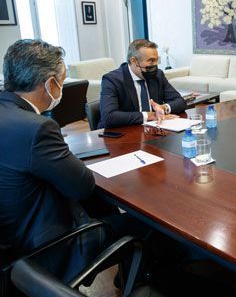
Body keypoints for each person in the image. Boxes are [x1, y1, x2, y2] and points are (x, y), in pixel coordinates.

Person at [0, 39, 128, 281]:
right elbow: (82, 186)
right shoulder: (37, 128)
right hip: (44, 248)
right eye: (63, 80)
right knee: (145, 227)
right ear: (50, 83)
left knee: (104, 208)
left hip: (10, 239)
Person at [99, 39, 186, 129]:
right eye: (151, 61)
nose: (155, 65)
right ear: (134, 61)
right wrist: (150, 116)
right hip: (121, 133)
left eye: (156, 60)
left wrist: (163, 108)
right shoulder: (112, 80)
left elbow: (180, 101)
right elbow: (109, 117)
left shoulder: (158, 75)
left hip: (153, 129)